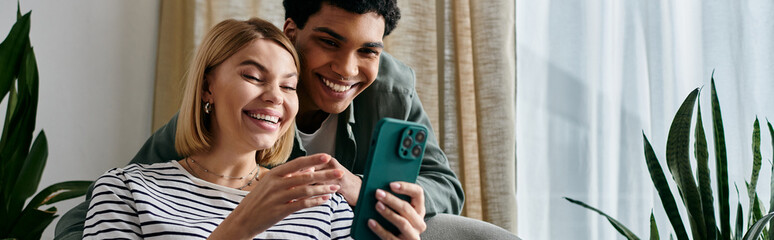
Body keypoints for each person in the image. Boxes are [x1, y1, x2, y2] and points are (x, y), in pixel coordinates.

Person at [59, 0, 518, 239]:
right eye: (330, 43)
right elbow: (94, 216)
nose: (346, 68)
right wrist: (244, 220)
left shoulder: (389, 91)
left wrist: (372, 194)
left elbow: (442, 183)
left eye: (368, 51)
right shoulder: (134, 187)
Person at [83, 18, 353, 239]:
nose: (276, 97)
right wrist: (240, 228)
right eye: (253, 77)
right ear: (206, 87)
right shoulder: (125, 190)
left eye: (288, 86)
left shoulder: (325, 205)